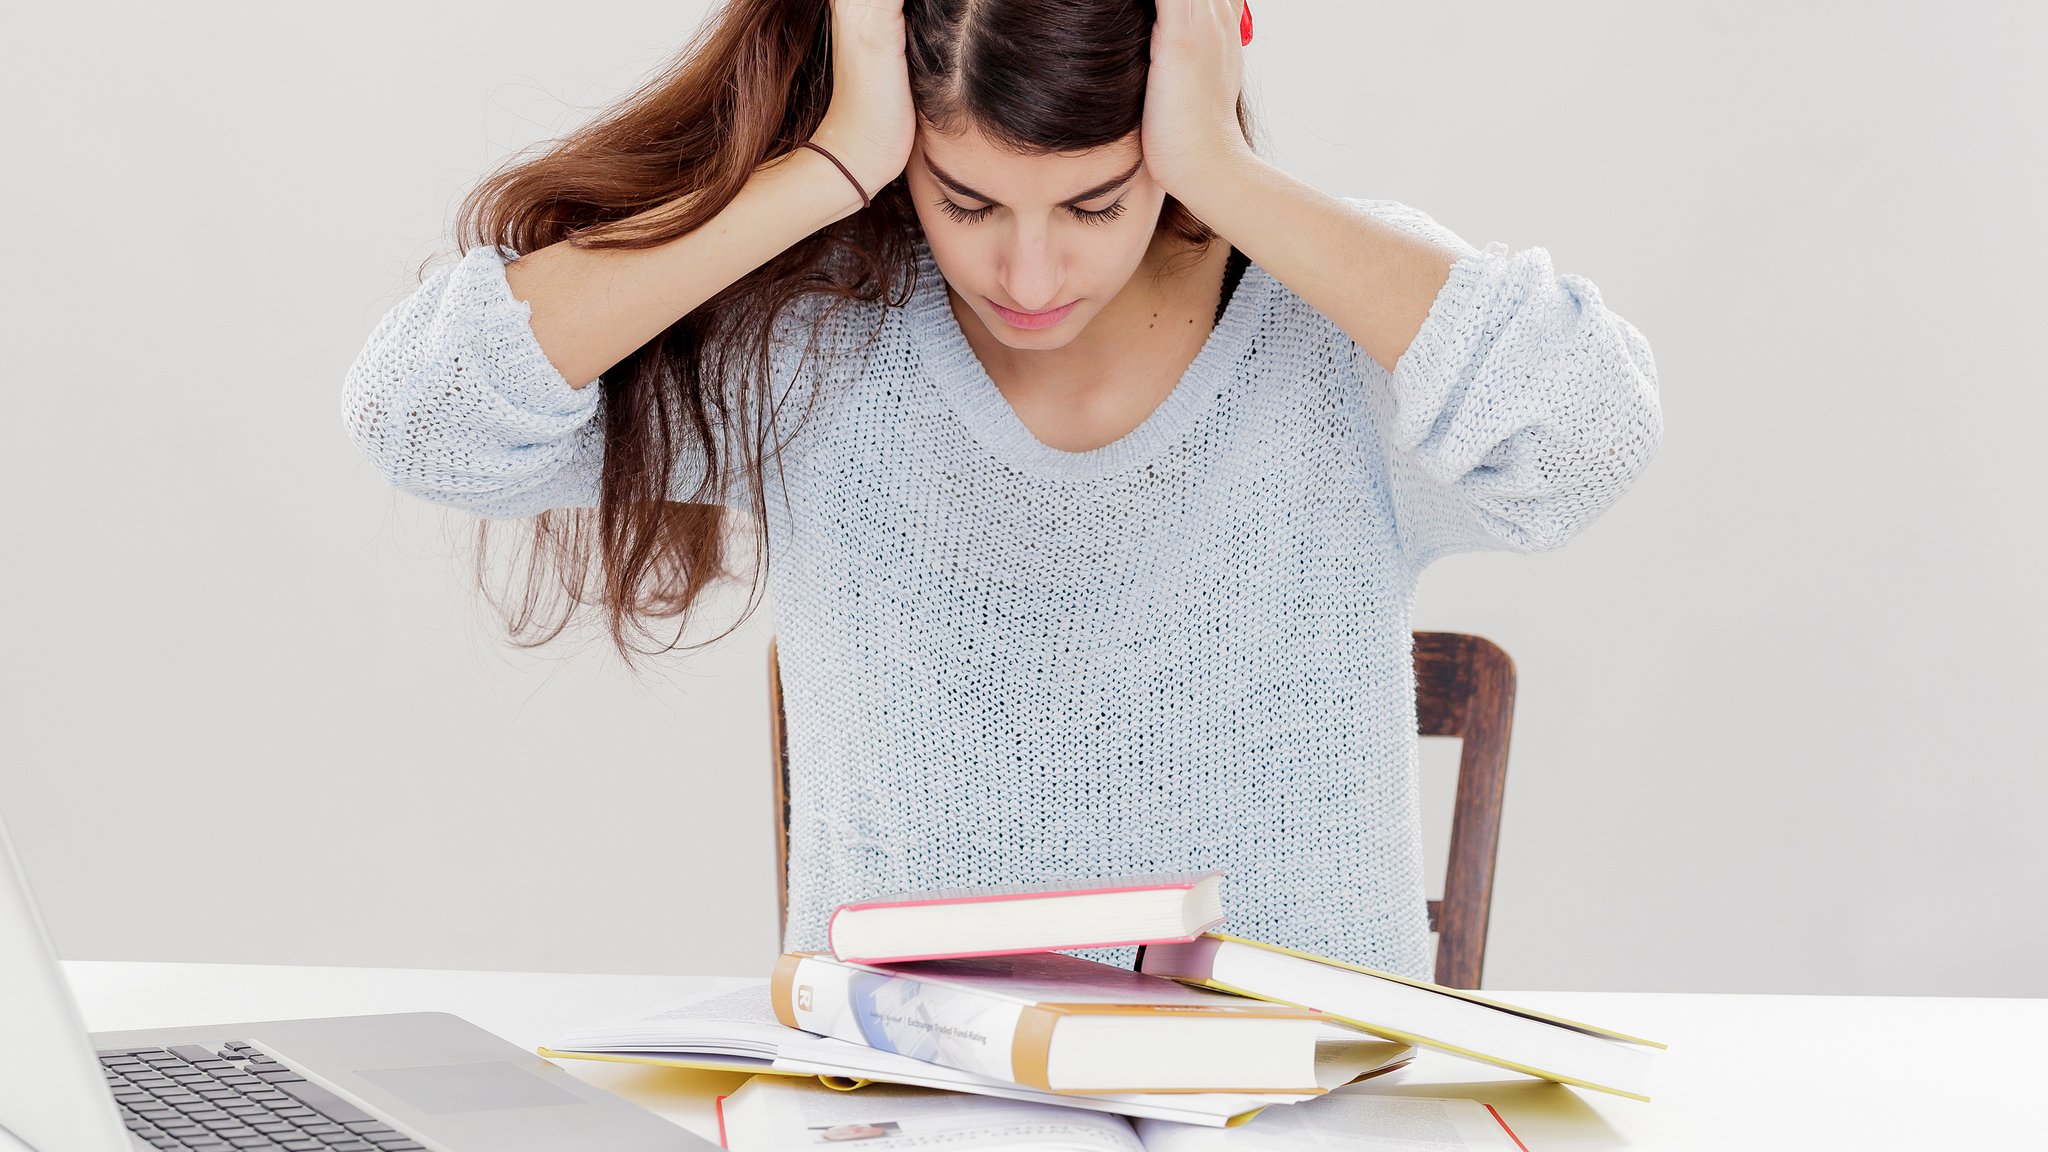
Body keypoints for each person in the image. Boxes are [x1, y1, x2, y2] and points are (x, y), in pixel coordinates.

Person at [340, 0, 1663, 982]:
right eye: (965, 199)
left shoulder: (1339, 327)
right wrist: (818, 175)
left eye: (1095, 204)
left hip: (1289, 1118)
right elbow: (426, 418)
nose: (1029, 276)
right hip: (915, 1113)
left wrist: (1227, 180)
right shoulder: (827, 339)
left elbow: (1593, 431)